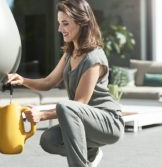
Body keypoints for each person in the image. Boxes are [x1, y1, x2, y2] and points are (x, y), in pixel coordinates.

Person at [7, 0, 125, 166]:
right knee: (49, 140)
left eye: (65, 23)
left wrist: (42, 114)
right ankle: (90, 153)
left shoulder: (94, 58)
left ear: (82, 22)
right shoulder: (70, 53)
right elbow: (48, 82)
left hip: (107, 122)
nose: (60, 29)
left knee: (65, 106)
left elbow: (78, 104)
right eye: (59, 23)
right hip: (82, 121)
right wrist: (22, 80)